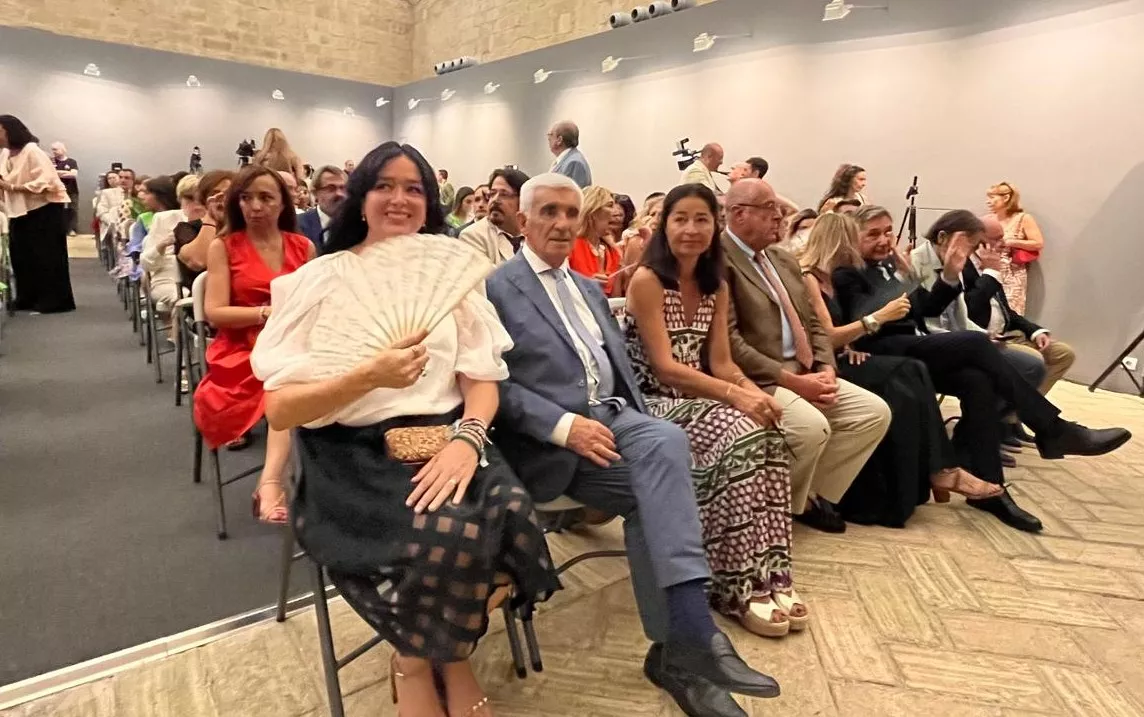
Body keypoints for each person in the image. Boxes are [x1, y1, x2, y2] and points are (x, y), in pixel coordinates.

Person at [250, 141, 560, 717]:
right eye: (384, 186)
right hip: (351, 453)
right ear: (360, 198)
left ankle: (430, 653)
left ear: (429, 202)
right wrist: (368, 376)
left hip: (450, 437)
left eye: (414, 188)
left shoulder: (451, 276)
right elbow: (281, 410)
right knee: (446, 537)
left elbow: (482, 379)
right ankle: (428, 662)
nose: (399, 199)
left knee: (516, 520)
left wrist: (468, 439)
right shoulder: (318, 280)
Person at [486, 171, 781, 717]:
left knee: (665, 446)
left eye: (570, 213)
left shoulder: (584, 287)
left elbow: (620, 367)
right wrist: (562, 426)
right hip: (555, 440)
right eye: (548, 212)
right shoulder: (496, 288)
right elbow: (490, 384)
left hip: (618, 417)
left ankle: (686, 644)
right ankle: (688, 646)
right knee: (660, 482)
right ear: (523, 221)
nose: (561, 223)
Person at [832, 206, 1131, 532]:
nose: (884, 239)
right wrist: (905, 283)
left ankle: (992, 488)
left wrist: (949, 275)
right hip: (881, 353)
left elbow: (922, 310)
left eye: (888, 231)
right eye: (873, 234)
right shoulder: (849, 271)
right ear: (853, 236)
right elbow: (863, 317)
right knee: (976, 343)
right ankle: (1053, 428)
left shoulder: (889, 265)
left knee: (977, 381)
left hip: (909, 347)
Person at [625, 182, 805, 638]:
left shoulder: (715, 285)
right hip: (651, 402)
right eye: (681, 219)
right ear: (664, 226)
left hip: (697, 397)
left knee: (768, 430)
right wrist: (736, 397)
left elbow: (722, 363)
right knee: (741, 432)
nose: (691, 229)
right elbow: (665, 369)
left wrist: (754, 394)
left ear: (715, 226)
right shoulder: (648, 281)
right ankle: (734, 582)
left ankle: (770, 570)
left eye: (702, 219)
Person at [798, 213, 1002, 527]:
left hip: (845, 356)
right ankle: (941, 471)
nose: (864, 248)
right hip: (826, 364)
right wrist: (872, 322)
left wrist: (903, 277)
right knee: (914, 371)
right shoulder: (813, 278)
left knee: (916, 371)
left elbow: (840, 327)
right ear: (839, 242)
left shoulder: (833, 277)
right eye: (861, 238)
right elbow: (828, 334)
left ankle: (939, 471)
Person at [721, 179, 890, 533]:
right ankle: (771, 512)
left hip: (804, 366)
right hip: (759, 376)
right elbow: (730, 342)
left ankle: (804, 496)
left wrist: (826, 366)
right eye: (769, 208)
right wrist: (794, 381)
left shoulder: (781, 258)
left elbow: (812, 321)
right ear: (738, 214)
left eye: (777, 208)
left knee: (873, 413)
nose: (779, 215)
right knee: (810, 428)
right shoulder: (719, 261)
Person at [192, 166, 314, 524]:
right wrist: (267, 313)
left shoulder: (304, 247)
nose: (255, 206)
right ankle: (271, 482)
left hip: (294, 344)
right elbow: (216, 313)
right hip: (241, 350)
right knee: (287, 383)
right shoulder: (224, 247)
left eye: (265, 198)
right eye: (246, 198)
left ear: (283, 203)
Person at [968, 215, 1074, 397]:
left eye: (1003, 237)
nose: (1004, 243)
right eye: (997, 239)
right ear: (978, 240)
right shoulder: (964, 268)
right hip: (983, 340)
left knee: (1064, 354)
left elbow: (1006, 313)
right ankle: (1016, 408)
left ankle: (1023, 408)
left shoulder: (993, 267)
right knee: (1034, 360)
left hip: (1008, 335)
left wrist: (1035, 331)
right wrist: (990, 273)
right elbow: (971, 308)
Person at [0, 115, 76, 314]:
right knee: (21, 255)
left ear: (10, 131)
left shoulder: (32, 151)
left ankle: (54, 300)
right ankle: (27, 297)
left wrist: (12, 187)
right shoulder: (5, 153)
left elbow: (45, 182)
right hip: (20, 209)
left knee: (45, 255)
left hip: (45, 209)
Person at [142, 175, 200, 315]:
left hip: (201, 279)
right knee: (184, 297)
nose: (196, 203)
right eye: (190, 198)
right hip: (169, 280)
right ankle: (179, 329)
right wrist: (162, 245)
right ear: (180, 199)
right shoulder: (164, 218)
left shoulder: (213, 219)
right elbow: (146, 264)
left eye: (201, 198)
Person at [985, 181, 1043, 314]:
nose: (988, 202)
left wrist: (1012, 242)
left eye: (992, 197)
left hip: (1012, 273)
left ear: (1006, 198)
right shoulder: (988, 219)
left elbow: (1038, 243)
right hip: (989, 269)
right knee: (988, 310)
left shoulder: (1023, 218)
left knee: (1011, 311)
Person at [459, 168, 529, 266]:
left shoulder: (535, 234)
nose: (495, 200)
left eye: (504, 194)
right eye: (492, 194)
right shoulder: (473, 236)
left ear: (523, 200)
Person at [175, 169, 233, 289]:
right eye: (215, 194)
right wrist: (211, 216)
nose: (222, 199)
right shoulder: (186, 229)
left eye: (228, 194)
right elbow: (199, 261)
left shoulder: (245, 227)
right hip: (204, 296)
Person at [567, 186, 622, 296]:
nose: (617, 212)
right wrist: (587, 285)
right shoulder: (570, 246)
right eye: (610, 205)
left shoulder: (613, 252)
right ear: (592, 211)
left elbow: (616, 298)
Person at [297, 165, 348, 249]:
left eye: (343, 188)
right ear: (315, 193)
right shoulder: (298, 225)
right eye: (331, 188)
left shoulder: (357, 224)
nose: (339, 193)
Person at [547, 121, 592, 188]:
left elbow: (573, 193)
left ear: (559, 140)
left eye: (551, 134)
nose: (548, 138)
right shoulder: (566, 159)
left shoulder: (574, 163)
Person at [49, 142, 79, 235]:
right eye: (52, 149)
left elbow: (73, 175)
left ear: (63, 149)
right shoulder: (50, 161)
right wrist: (65, 173)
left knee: (73, 209)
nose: (53, 151)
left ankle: (72, 230)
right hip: (56, 190)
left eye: (55, 149)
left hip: (72, 190)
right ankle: (57, 229)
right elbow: (50, 174)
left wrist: (57, 172)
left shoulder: (72, 162)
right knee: (56, 210)